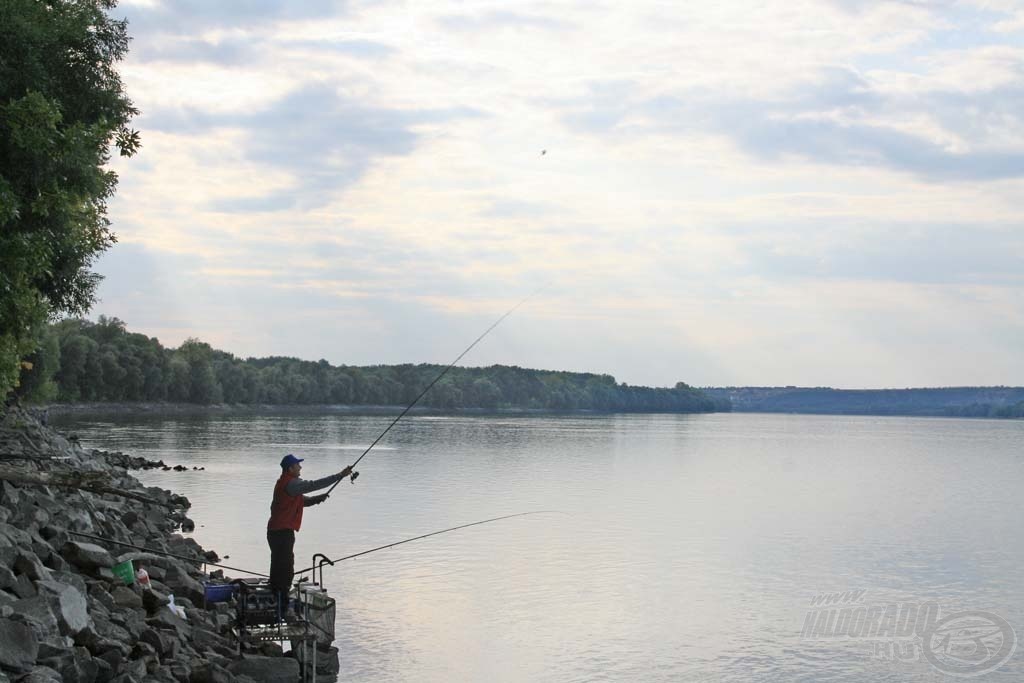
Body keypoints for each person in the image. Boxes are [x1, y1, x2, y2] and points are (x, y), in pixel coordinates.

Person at [267, 454, 352, 620]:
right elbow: (313, 485)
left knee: (279, 566)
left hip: (277, 532)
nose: (300, 468)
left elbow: (300, 500)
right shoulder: (291, 483)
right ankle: (282, 604)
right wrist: (339, 475)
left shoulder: (287, 483)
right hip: (281, 532)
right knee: (285, 568)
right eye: (298, 465)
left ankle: (278, 597)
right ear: (290, 468)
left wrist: (315, 500)